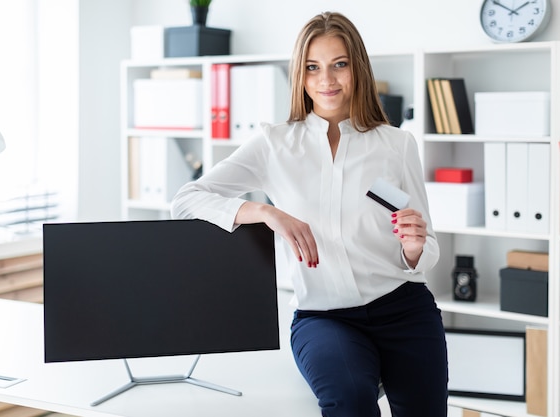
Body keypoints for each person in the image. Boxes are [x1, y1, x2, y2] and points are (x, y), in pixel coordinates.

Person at [171, 11, 448, 417]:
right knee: (350, 401)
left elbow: (427, 250)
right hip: (325, 318)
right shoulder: (274, 144)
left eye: (340, 65)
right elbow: (186, 199)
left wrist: (413, 248)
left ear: (358, 69)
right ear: (299, 76)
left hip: (403, 308)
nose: (327, 81)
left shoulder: (396, 145)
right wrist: (263, 211)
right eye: (313, 68)